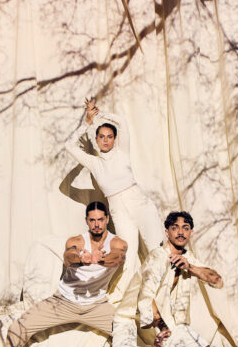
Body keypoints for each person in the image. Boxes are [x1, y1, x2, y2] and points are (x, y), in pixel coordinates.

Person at [41, 211, 223, 347]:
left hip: (165, 324)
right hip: (130, 321)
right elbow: (147, 298)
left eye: (185, 228)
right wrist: (162, 328)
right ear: (167, 232)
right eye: (175, 228)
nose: (180, 232)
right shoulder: (157, 258)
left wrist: (190, 266)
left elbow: (217, 280)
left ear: (190, 232)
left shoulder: (187, 258)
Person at [0, 201, 127, 347]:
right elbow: (68, 256)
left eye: (100, 219)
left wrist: (99, 259)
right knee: (18, 328)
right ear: (86, 221)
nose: (97, 224)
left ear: (107, 219)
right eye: (92, 220)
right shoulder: (77, 241)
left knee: (127, 332)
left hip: (96, 306)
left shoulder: (117, 243)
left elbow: (116, 257)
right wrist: (82, 258)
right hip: (63, 301)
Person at [64, 98, 164, 277]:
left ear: (115, 139)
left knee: (157, 250)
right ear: (95, 139)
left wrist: (99, 113)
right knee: (127, 258)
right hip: (119, 211)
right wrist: (87, 122)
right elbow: (68, 146)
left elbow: (123, 122)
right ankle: (127, 301)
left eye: (110, 137)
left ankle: (164, 296)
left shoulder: (122, 152)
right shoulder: (94, 163)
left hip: (140, 203)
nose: (105, 140)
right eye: (101, 137)